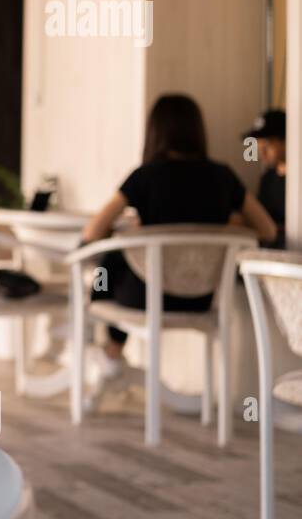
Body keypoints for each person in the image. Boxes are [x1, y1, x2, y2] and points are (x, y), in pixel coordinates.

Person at [79, 94, 277, 406]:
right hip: (202, 297)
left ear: (155, 131)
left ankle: (110, 352)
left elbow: (92, 232)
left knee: (110, 260)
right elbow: (268, 230)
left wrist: (136, 233)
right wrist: (225, 229)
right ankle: (112, 356)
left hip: (146, 295)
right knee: (118, 259)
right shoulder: (223, 175)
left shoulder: (145, 175)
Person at [244, 109, 287, 249]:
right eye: (258, 146)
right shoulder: (267, 179)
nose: (261, 152)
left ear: (285, 141)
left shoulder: (296, 182)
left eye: (267, 145)